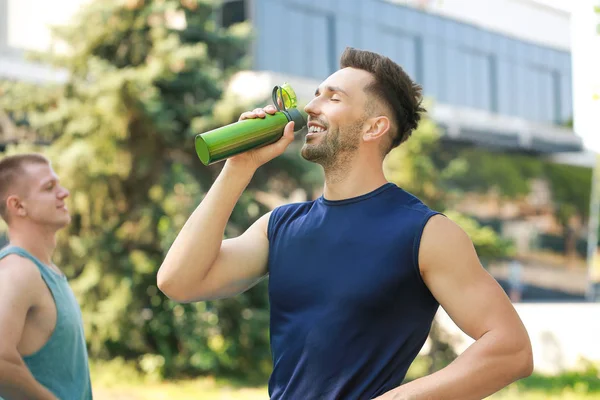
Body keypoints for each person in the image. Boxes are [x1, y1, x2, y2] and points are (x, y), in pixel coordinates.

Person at [157, 47, 533, 399]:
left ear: (374, 128)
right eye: (316, 94)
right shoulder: (281, 225)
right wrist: (239, 167)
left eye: (333, 98)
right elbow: (179, 281)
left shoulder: (425, 233)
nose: (310, 108)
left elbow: (510, 348)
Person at [0, 153, 93, 400]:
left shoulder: (45, 270)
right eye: (49, 187)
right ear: (18, 205)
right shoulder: (17, 272)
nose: (64, 193)